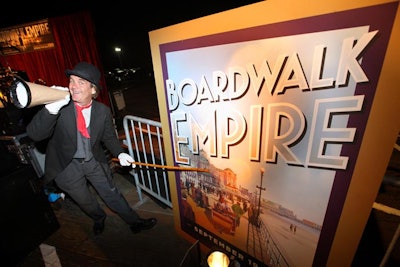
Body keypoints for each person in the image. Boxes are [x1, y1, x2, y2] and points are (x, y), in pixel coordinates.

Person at [26, 61, 157, 235]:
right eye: (72, 81)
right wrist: (51, 109)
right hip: (66, 167)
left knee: (112, 193)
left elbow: (109, 137)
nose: (73, 86)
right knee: (85, 201)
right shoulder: (59, 106)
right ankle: (98, 218)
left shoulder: (102, 111)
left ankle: (134, 221)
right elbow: (35, 135)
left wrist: (120, 153)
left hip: (93, 161)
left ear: (93, 89)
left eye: (81, 82)